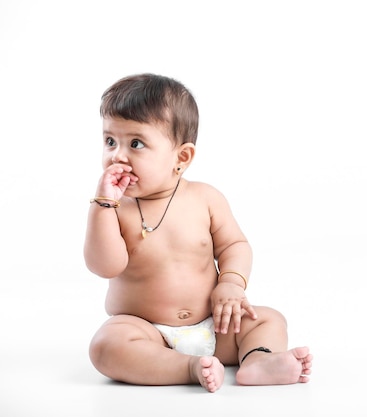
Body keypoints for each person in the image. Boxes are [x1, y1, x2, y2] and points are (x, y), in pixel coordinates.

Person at [84, 73, 313, 392]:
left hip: (218, 326)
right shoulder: (114, 209)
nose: (117, 155)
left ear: (181, 157)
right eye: (110, 141)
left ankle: (257, 360)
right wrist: (104, 205)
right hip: (149, 332)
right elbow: (104, 266)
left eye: (135, 143)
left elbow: (235, 244)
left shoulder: (205, 198)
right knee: (108, 344)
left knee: (268, 319)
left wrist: (232, 283)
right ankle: (186, 368)